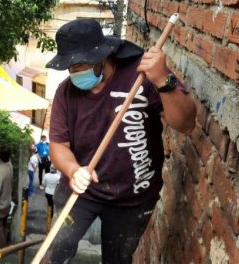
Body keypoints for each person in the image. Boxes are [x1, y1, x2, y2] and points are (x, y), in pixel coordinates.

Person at [43, 19, 196, 263]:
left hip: (133, 198)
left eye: (81, 65)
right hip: (83, 191)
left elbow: (186, 124)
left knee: (117, 259)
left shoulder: (142, 76)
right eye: (70, 67)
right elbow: (58, 145)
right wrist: (73, 171)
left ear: (102, 57)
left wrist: (163, 80)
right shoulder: (66, 93)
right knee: (55, 251)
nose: (75, 72)